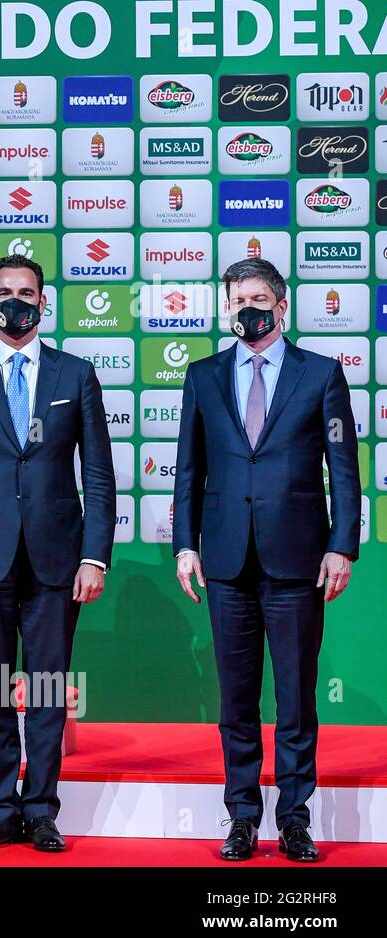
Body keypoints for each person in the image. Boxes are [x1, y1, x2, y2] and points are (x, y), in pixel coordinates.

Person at [0, 253, 115, 852]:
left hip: (58, 560)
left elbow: (101, 476)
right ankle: (1, 807)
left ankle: (42, 810)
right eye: (4, 291)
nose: (16, 300)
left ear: (43, 303)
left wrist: (95, 556)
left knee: (50, 689)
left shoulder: (76, 375)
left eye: (26, 292)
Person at [173, 257, 359, 864]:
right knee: (236, 699)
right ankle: (243, 818)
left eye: (257, 298)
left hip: (298, 559)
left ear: (281, 306)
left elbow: (346, 473)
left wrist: (341, 545)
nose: (245, 309)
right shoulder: (202, 376)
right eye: (236, 300)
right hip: (226, 561)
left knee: (297, 696)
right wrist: (184, 544)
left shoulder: (321, 375)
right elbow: (188, 471)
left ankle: (296, 818)